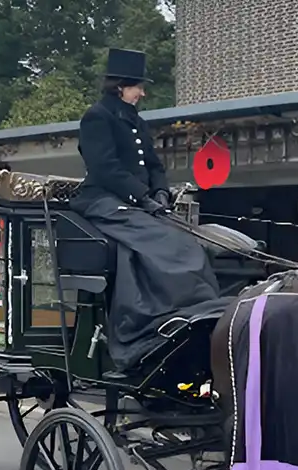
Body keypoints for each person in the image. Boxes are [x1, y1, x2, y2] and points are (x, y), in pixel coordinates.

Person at [71, 48, 221, 370]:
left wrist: (161, 192)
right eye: (138, 86)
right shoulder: (97, 117)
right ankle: (146, 325)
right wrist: (142, 197)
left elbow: (153, 164)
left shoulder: (136, 120)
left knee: (188, 237)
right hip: (102, 201)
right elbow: (105, 168)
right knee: (167, 244)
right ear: (120, 86)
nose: (143, 92)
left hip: (135, 202)